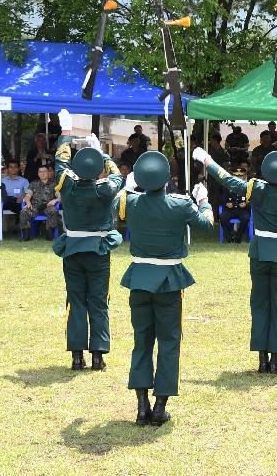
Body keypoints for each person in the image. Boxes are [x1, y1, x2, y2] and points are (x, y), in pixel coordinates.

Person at [196, 146, 277, 374]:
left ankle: (262, 359)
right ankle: (275, 359)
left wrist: (207, 160)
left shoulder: (256, 189)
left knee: (260, 304)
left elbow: (227, 179)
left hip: (261, 252)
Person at [114, 150, 213, 426]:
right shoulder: (180, 204)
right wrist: (203, 200)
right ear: (168, 180)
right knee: (168, 343)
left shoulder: (130, 202)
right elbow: (206, 224)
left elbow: (115, 203)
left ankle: (142, 406)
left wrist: (130, 185)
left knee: (141, 342)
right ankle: (159, 407)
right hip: (169, 281)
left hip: (139, 279)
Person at [52, 110, 123, 371]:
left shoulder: (67, 187)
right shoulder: (104, 189)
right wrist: (101, 152)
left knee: (76, 301)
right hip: (98, 252)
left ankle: (77, 356)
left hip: (72, 250)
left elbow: (60, 164)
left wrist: (66, 135)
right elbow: (117, 176)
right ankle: (97, 356)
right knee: (98, 301)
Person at [20, 165, 60, 240]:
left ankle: (50, 235)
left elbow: (60, 196)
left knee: (53, 211)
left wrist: (55, 200)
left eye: (44, 171)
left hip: (48, 206)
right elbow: (28, 195)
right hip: (35, 207)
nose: (42, 173)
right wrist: (28, 201)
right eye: (40, 172)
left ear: (48, 173)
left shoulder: (55, 184)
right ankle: (25, 236)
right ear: (38, 173)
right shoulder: (33, 184)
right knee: (24, 211)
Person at [219, 171, 250, 244]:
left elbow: (252, 200)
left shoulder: (247, 187)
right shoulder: (227, 186)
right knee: (222, 217)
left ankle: (238, 238)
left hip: (242, 210)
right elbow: (221, 199)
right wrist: (226, 204)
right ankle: (229, 238)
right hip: (230, 210)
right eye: (236, 176)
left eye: (240, 176)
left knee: (245, 218)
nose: (238, 178)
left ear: (244, 177)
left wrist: (246, 204)